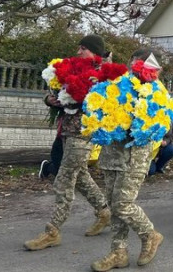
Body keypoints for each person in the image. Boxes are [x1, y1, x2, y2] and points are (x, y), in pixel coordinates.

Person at [24, 34, 111, 251]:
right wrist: (51, 99)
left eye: (83, 48)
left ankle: (52, 231)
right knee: (80, 176)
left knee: (63, 180)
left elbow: (98, 102)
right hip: (66, 130)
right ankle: (104, 211)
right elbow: (58, 92)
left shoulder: (102, 75)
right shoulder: (74, 68)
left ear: (94, 51)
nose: (78, 51)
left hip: (83, 133)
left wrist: (73, 96)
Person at [90, 49, 166, 272]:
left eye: (140, 64)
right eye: (133, 63)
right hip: (112, 154)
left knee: (123, 204)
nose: (135, 68)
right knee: (115, 207)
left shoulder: (155, 91)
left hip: (134, 157)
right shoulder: (119, 85)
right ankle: (118, 252)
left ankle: (150, 234)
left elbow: (156, 123)